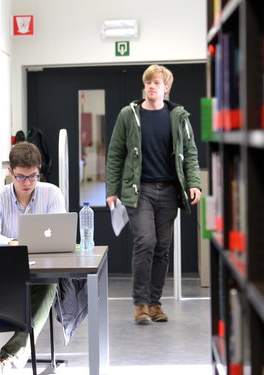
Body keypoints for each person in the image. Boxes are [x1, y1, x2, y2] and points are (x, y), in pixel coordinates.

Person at [106, 64, 202, 325]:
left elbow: (190, 153)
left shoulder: (178, 117)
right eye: (148, 82)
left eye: (156, 83)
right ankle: (140, 305)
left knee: (162, 247)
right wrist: (112, 190)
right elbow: (115, 154)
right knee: (145, 241)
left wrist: (194, 183)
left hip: (169, 190)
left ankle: (155, 303)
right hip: (140, 190)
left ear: (166, 88)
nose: (151, 86)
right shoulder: (129, 114)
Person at [0, 141, 66, 375]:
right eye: (21, 177)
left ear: (39, 170)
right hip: (1, 270)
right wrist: (12, 243)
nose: (28, 183)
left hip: (40, 270)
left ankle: (9, 358)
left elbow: (60, 233)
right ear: (10, 172)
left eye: (33, 176)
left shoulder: (52, 193)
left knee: (49, 285)